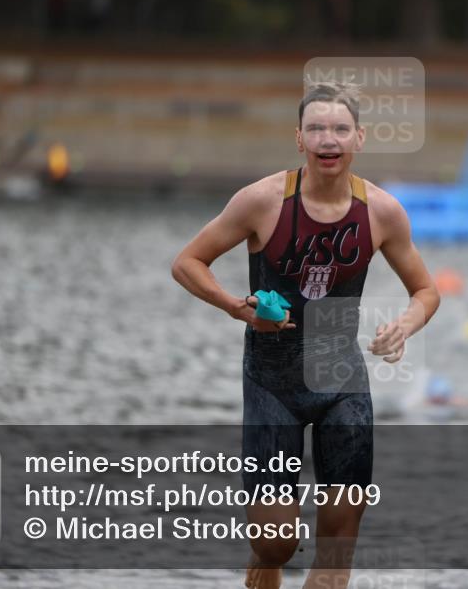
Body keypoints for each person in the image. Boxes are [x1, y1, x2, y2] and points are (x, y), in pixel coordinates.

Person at [172, 80, 440, 589]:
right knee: (273, 541)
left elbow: (426, 290)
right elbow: (187, 262)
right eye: (316, 128)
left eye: (339, 129)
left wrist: (404, 326)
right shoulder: (261, 202)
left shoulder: (381, 212)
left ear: (358, 138)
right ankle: (268, 559)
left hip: (341, 381)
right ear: (300, 139)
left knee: (338, 547)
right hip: (272, 381)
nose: (328, 139)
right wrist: (237, 308)